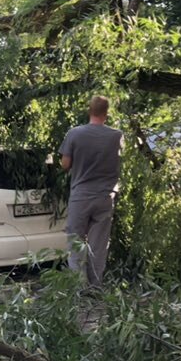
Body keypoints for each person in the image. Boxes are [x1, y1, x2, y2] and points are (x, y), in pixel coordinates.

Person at [59, 96, 123, 288]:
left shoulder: (75, 134)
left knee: (76, 241)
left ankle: (79, 287)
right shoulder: (116, 135)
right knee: (99, 244)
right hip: (105, 196)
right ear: (107, 113)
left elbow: (65, 164)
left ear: (89, 111)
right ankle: (95, 286)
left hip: (81, 195)